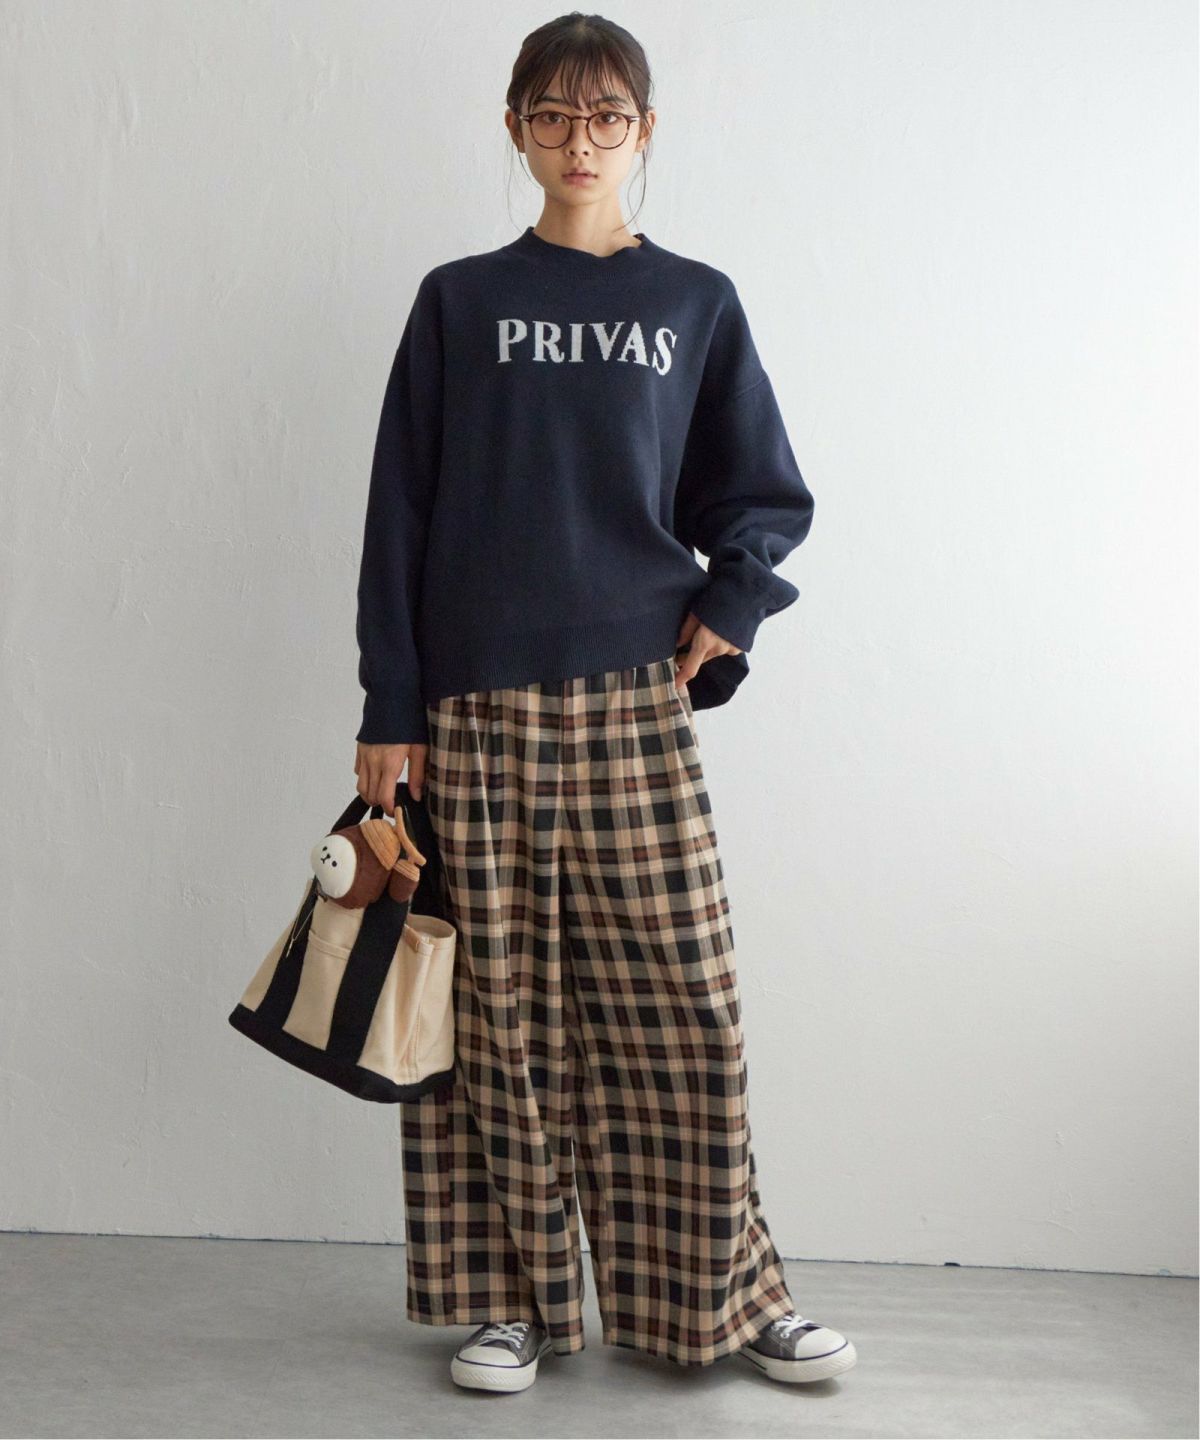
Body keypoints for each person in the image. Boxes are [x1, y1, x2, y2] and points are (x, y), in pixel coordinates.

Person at [352, 12, 857, 1395]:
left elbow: (760, 488)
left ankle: (731, 1297)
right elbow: (399, 512)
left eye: (608, 116)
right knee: (499, 1017)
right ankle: (512, 1303)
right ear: (516, 128)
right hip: (473, 702)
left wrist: (733, 601)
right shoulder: (458, 301)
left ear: (645, 132)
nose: (582, 142)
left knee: (685, 1002)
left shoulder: (694, 301)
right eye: (554, 115)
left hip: (635, 691)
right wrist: (390, 699)